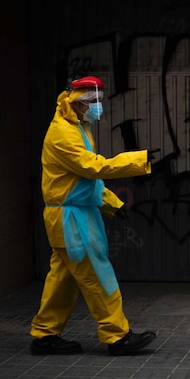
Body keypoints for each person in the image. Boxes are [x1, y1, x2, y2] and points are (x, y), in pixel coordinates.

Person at [30, 75, 157, 356]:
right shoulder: (63, 133)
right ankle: (117, 335)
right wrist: (138, 160)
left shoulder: (78, 127)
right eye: (93, 102)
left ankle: (45, 335)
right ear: (78, 102)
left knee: (62, 279)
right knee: (99, 275)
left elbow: (81, 181)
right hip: (72, 222)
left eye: (100, 100)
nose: (98, 106)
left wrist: (111, 202)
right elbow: (92, 168)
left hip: (70, 218)